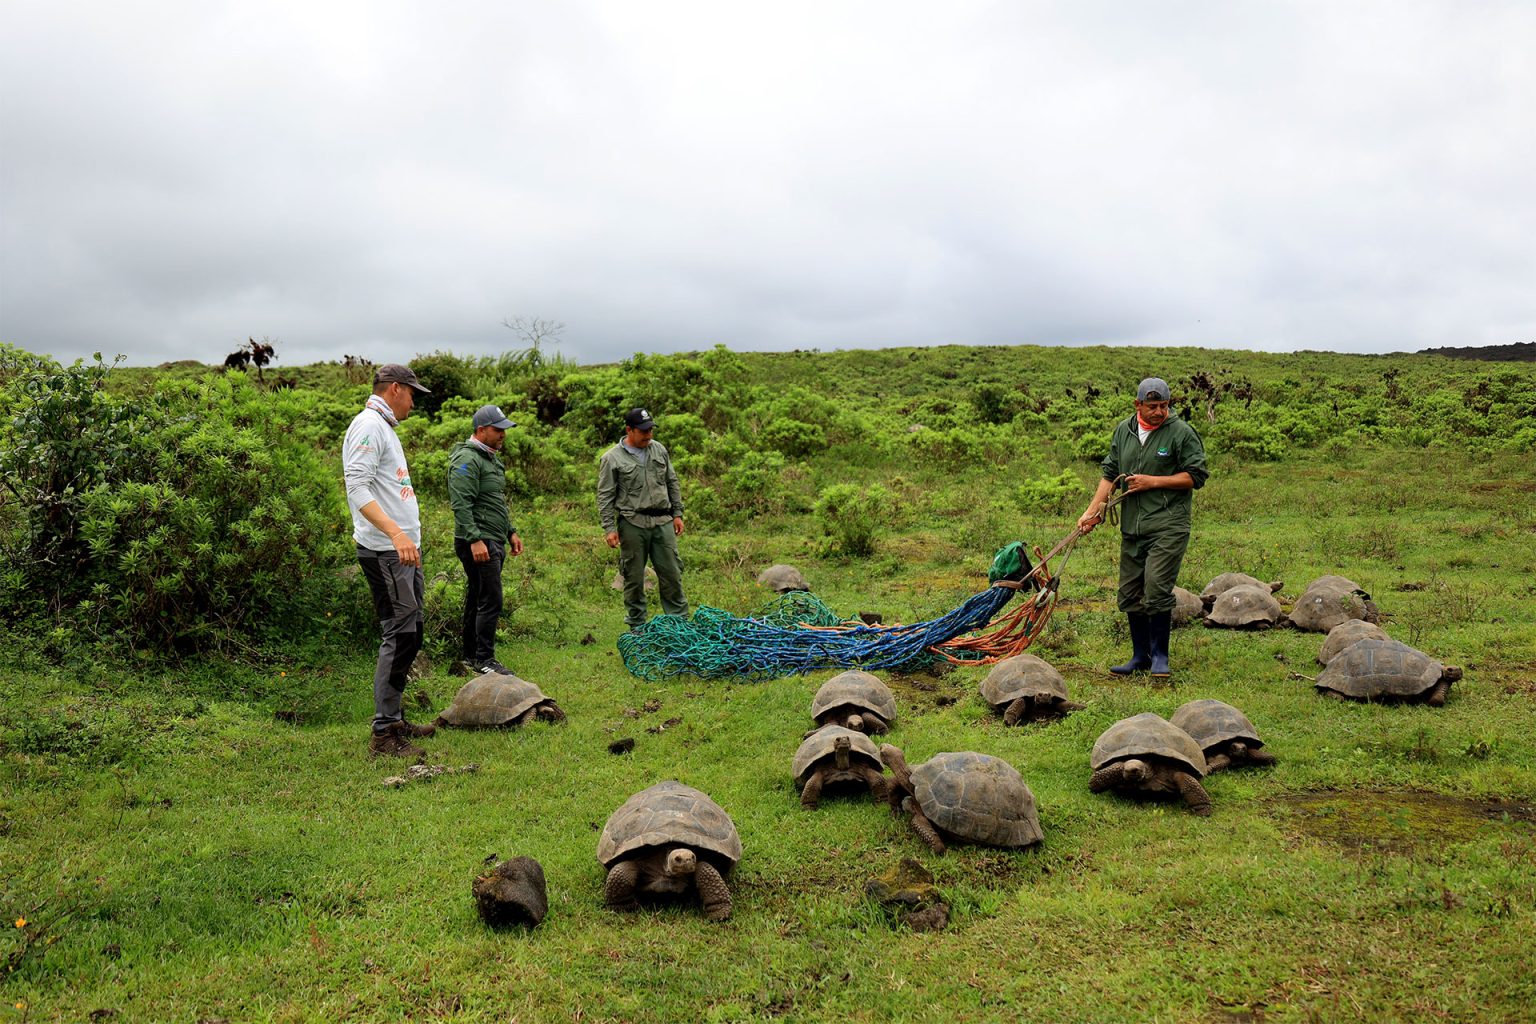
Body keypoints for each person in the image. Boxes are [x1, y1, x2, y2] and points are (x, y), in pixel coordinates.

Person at [1076, 377, 1208, 679]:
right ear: (1138, 405)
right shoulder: (1125, 430)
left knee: (1157, 587)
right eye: (1152, 407)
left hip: (1168, 524)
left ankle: (1161, 657)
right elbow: (1110, 472)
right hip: (1133, 525)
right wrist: (1094, 510)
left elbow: (1196, 475)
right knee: (1130, 590)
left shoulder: (1181, 433)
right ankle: (1140, 656)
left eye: (1164, 405)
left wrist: (1153, 481)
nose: (1159, 412)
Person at [342, 363, 437, 758]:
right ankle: (383, 734)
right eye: (412, 394)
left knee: (411, 633)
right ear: (395, 389)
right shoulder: (368, 426)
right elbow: (357, 489)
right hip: (385, 551)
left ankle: (394, 718)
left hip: (403, 552)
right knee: (398, 634)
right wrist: (396, 533)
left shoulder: (384, 429)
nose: (414, 402)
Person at [448, 404, 525, 675]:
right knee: (491, 598)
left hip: (493, 537)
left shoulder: (491, 459)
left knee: (479, 595)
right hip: (478, 541)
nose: (503, 434)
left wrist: (510, 531)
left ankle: (470, 656)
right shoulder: (467, 459)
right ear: (481, 430)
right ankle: (485, 660)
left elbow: (496, 502)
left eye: (505, 429)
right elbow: (461, 503)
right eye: (498, 429)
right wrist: (474, 539)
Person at [597, 407, 688, 632]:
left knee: (672, 573)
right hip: (632, 523)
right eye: (643, 431)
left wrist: (677, 513)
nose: (649, 435)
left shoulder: (659, 450)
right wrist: (609, 528)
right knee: (634, 577)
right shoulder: (611, 458)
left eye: (651, 430)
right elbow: (605, 495)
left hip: (662, 520)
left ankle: (678, 625)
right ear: (629, 430)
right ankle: (637, 626)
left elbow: (671, 482)